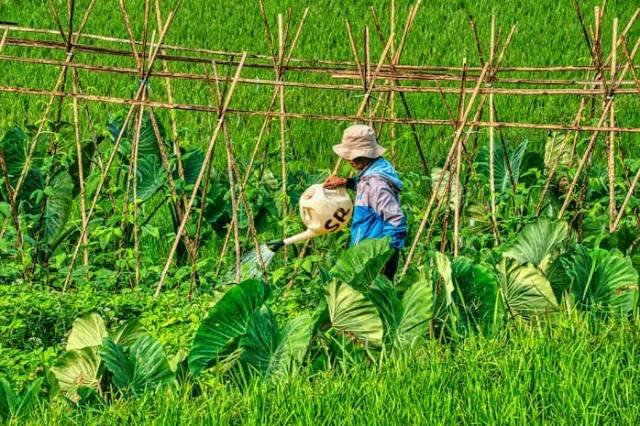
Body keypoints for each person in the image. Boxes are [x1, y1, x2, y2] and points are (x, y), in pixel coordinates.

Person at [323, 124, 407, 280]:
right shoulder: (371, 174)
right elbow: (368, 192)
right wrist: (346, 182)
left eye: (351, 156)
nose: (348, 160)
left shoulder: (376, 183)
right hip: (366, 255)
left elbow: (396, 220)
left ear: (363, 156)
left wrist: (383, 257)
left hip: (374, 259)